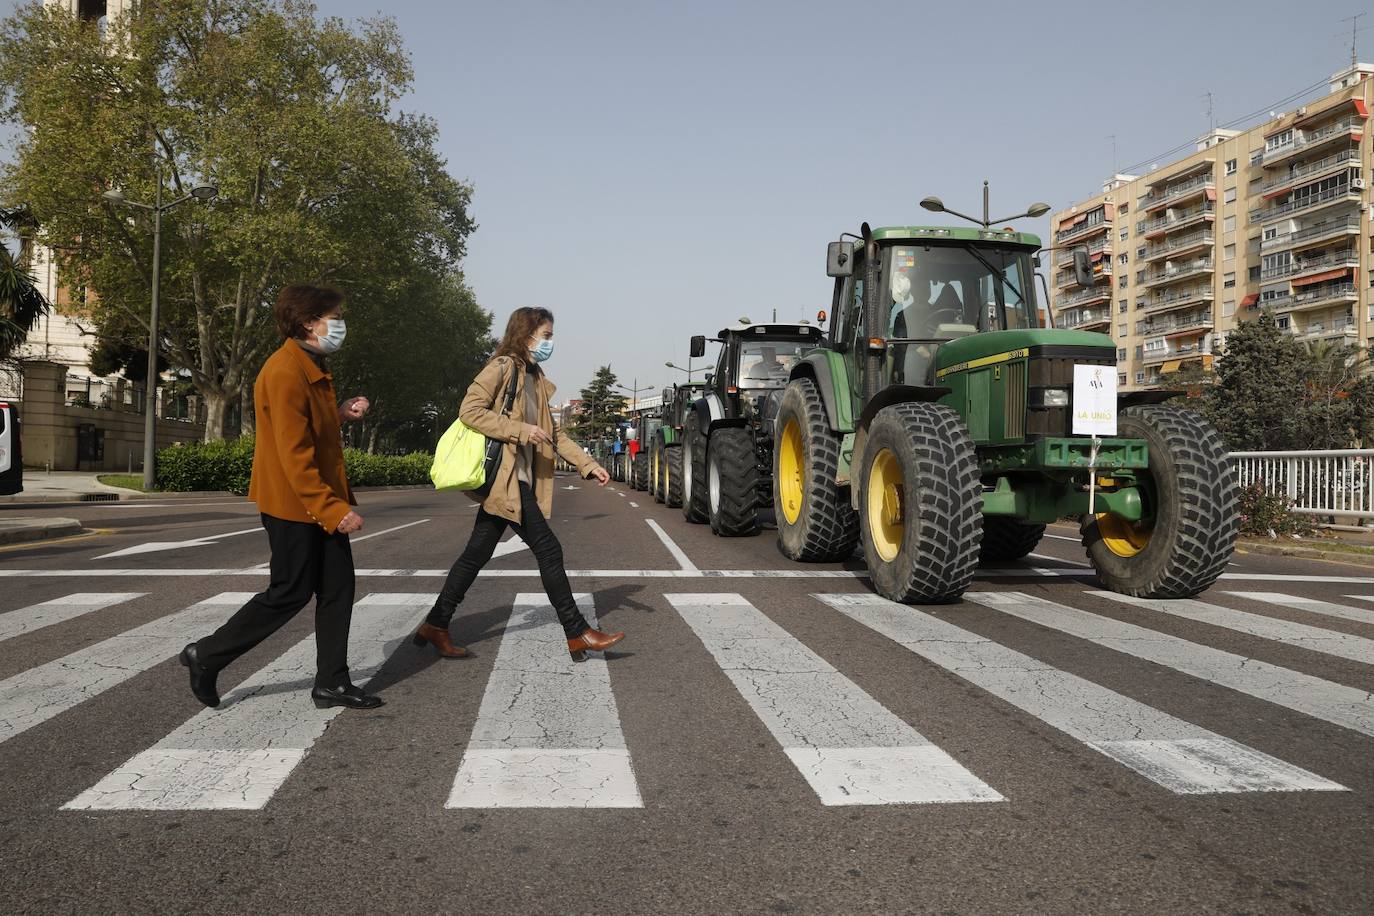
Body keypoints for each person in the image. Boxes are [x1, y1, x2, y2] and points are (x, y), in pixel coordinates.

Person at [179, 284, 382, 711]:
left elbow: (308, 432)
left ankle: (331, 682)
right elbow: (294, 456)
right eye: (335, 315)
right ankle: (207, 655)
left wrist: (340, 413)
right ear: (310, 322)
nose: (340, 323)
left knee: (338, 588)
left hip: (311, 500)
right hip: (295, 503)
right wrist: (333, 509)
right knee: (289, 592)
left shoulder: (309, 363)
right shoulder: (287, 371)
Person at [414, 307, 624, 660]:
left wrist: (589, 465)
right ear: (526, 335)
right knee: (549, 550)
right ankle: (577, 632)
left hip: (517, 479)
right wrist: (521, 430)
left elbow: (555, 433)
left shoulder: (535, 378)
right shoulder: (502, 367)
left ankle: (436, 624)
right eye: (547, 335)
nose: (551, 342)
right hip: (506, 479)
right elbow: (470, 410)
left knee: (475, 555)